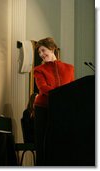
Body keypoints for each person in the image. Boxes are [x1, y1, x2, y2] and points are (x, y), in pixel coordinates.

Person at [33, 37, 74, 165]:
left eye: (43, 50)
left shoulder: (69, 68)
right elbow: (43, 88)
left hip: (62, 109)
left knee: (61, 142)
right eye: (39, 53)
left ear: (52, 49)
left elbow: (72, 88)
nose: (41, 54)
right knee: (43, 143)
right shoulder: (38, 70)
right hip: (43, 109)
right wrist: (62, 96)